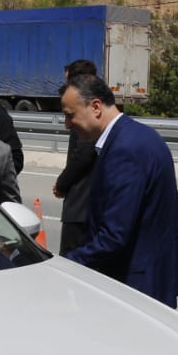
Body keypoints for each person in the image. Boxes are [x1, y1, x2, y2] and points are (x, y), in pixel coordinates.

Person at [62, 74, 178, 307]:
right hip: (151, 276)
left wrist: (67, 264)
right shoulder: (138, 135)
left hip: (137, 284)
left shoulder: (125, 149)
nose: (67, 124)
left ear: (95, 107)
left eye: (70, 115)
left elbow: (114, 234)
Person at [52, 58, 99, 256]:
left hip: (80, 206)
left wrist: (62, 183)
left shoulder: (85, 117)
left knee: (73, 261)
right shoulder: (96, 112)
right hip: (90, 205)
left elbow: (82, 156)